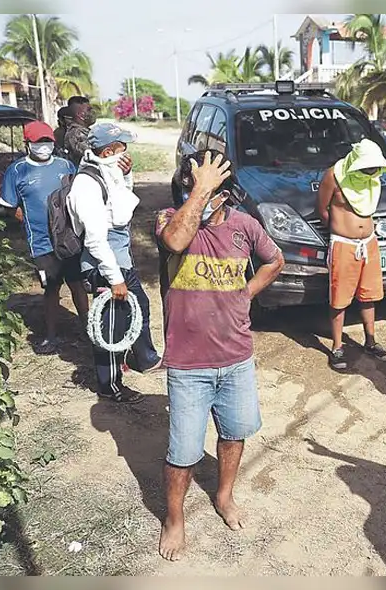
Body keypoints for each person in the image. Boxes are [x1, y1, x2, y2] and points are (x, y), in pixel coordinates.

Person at [155, 151, 284, 562]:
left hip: (236, 358)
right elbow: (174, 240)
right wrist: (200, 191)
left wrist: (247, 293)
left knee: (234, 432)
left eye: (209, 188)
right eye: (191, 185)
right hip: (188, 365)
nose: (195, 193)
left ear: (225, 193)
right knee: (184, 452)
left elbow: (275, 260)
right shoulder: (171, 220)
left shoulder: (245, 226)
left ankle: (224, 496)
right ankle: (174, 520)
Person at [66, 122, 161, 403]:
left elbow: (121, 204)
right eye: (123, 148)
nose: (126, 152)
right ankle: (109, 385)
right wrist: (114, 278)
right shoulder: (87, 184)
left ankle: (142, 358)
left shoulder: (107, 170)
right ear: (108, 150)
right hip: (105, 264)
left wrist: (127, 174)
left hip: (119, 258)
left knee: (139, 306)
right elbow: (95, 240)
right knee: (111, 326)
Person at [0, 121, 88, 354]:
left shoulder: (66, 166)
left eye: (47, 141)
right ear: (27, 144)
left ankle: (88, 328)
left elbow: (78, 195)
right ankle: (51, 335)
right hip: (41, 242)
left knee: (77, 283)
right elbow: (9, 206)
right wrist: (28, 220)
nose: (44, 146)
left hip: (69, 238)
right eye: (39, 142)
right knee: (51, 288)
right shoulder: (17, 171)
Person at [317, 139, 386, 370]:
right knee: (339, 298)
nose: (370, 172)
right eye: (366, 168)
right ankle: (337, 346)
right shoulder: (333, 176)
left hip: (369, 243)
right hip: (344, 244)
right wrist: (341, 230)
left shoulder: (373, 177)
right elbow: (322, 209)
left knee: (369, 295)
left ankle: (370, 341)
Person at [63, 95, 96, 166]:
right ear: (79, 114)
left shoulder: (84, 131)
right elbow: (92, 155)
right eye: (89, 110)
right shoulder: (76, 133)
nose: (92, 112)